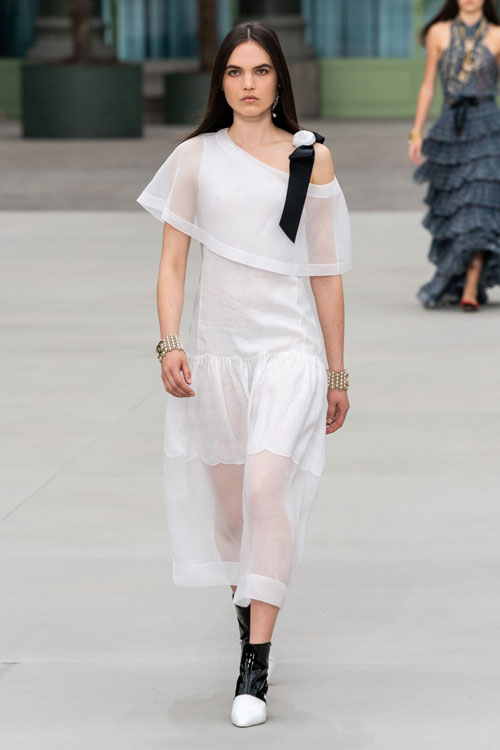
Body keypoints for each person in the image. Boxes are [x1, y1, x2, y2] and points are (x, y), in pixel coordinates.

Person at [136, 20, 352, 727]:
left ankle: (254, 664)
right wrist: (170, 342)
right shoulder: (194, 158)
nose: (249, 84)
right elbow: (172, 264)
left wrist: (337, 373)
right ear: (220, 82)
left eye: (261, 71)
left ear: (279, 79)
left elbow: (326, 274)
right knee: (230, 516)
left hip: (288, 349)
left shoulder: (310, 158)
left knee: (265, 489)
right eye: (235, 72)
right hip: (219, 356)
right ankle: (249, 619)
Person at [409, 0, 500, 310]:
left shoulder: (497, 34)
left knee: (480, 203)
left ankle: (471, 284)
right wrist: (416, 131)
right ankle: (458, 276)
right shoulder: (438, 32)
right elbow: (428, 87)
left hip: (488, 125)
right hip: (451, 127)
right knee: (456, 205)